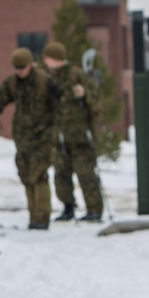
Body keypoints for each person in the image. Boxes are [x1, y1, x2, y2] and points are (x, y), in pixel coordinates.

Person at [0, 47, 62, 230]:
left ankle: (42, 217)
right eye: (16, 67)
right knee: (26, 176)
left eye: (22, 67)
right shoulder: (13, 83)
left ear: (30, 65)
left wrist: (59, 98)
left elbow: (60, 105)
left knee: (39, 176)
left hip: (42, 137)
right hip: (23, 138)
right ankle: (33, 216)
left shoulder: (44, 81)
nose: (19, 71)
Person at [42, 41, 103, 222]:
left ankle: (94, 209)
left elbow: (95, 98)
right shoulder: (49, 78)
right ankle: (68, 207)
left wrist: (84, 93)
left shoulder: (75, 73)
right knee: (61, 174)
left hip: (79, 135)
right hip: (59, 136)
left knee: (85, 173)